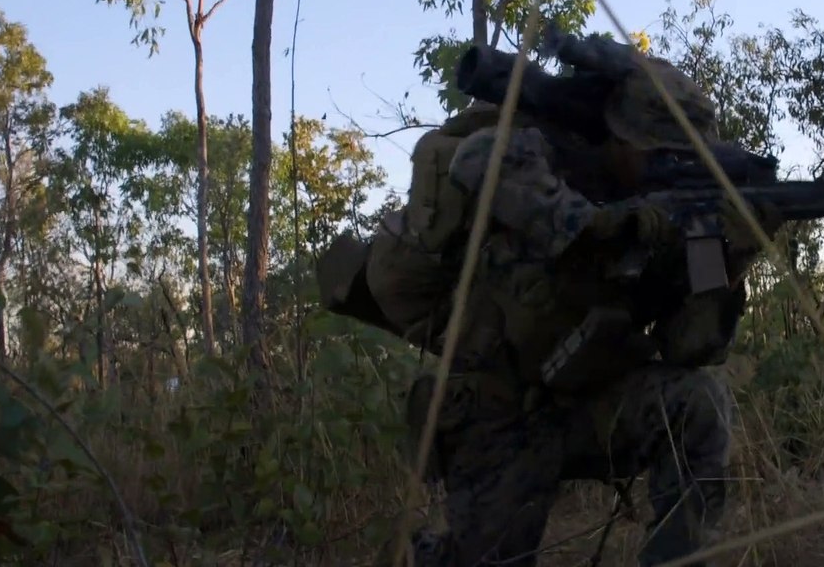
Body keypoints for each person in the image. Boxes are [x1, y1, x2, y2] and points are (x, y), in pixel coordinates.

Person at [318, 31, 781, 565]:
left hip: (590, 407)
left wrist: (729, 257)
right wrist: (611, 225)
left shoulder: (675, 209)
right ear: (621, 136)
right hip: (498, 412)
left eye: (685, 159)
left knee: (699, 404)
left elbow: (689, 348)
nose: (673, 168)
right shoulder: (541, 152)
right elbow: (480, 164)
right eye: (661, 155)